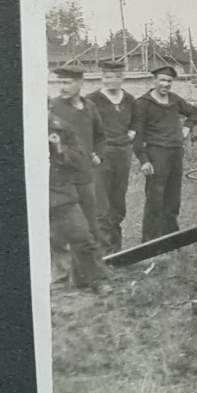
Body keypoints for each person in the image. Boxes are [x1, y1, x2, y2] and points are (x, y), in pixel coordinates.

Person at [132, 64, 197, 242]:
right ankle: (149, 243)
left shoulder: (174, 100)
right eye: (162, 80)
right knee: (155, 199)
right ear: (153, 81)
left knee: (172, 198)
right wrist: (144, 160)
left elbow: (194, 112)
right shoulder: (143, 104)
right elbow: (137, 135)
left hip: (176, 153)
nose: (165, 84)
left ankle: (171, 239)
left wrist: (186, 128)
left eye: (169, 81)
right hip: (156, 154)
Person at [47, 66, 104, 248]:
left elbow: (100, 136)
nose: (62, 87)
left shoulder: (90, 107)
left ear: (80, 83)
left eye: (67, 82)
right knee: (66, 227)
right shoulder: (53, 107)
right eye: (60, 82)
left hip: (85, 175)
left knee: (90, 222)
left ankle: (95, 268)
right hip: (63, 178)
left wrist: (98, 154)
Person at [49, 114, 103, 290]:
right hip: (34, 192)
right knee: (51, 240)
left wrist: (59, 148)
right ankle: (58, 281)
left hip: (61, 192)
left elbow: (80, 159)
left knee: (81, 235)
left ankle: (97, 279)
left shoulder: (63, 127)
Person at [87, 59, 137, 253]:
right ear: (102, 78)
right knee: (101, 206)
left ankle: (117, 251)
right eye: (107, 77)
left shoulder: (129, 99)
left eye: (116, 77)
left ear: (122, 78)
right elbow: (85, 128)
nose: (111, 81)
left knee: (118, 204)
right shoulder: (92, 100)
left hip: (122, 154)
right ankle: (104, 253)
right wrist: (92, 152)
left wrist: (132, 132)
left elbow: (137, 121)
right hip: (101, 155)